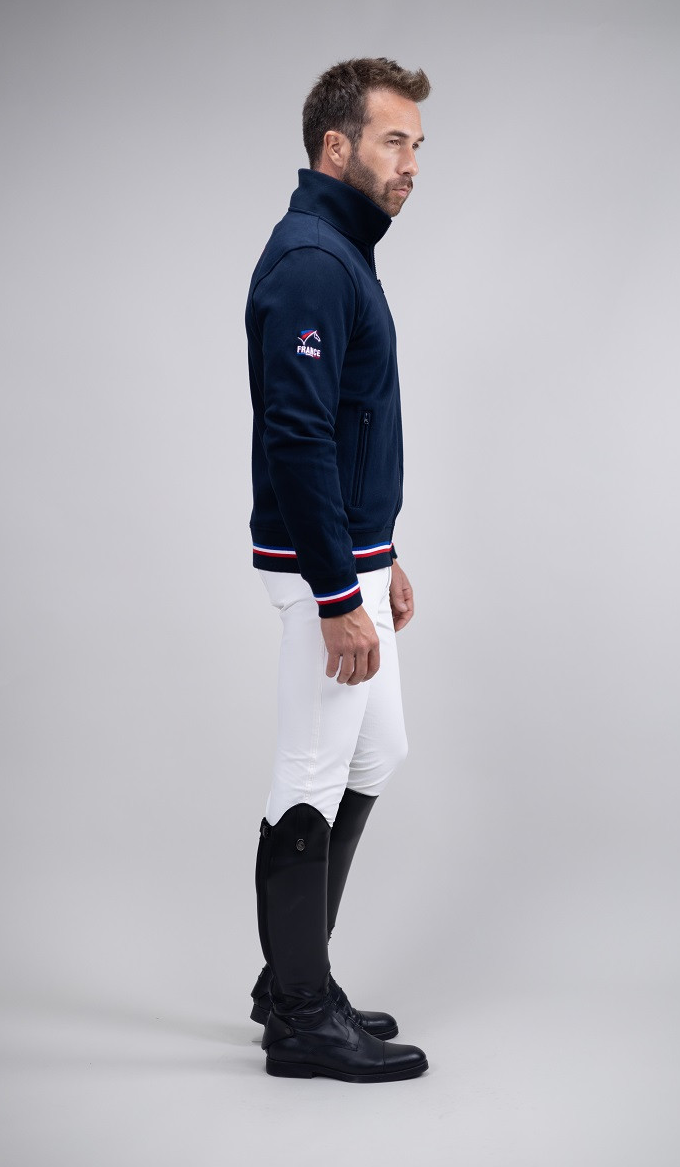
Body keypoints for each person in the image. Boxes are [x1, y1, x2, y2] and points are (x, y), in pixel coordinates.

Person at [245, 57, 430, 1082]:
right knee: (309, 774)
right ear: (335, 146)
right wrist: (333, 592)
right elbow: (298, 435)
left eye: (417, 146)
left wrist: (382, 552)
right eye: (393, 141)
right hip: (319, 569)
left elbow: (354, 422)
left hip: (353, 556)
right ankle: (300, 1015)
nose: (411, 164)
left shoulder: (345, 252)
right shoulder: (313, 260)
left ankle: (292, 974)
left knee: (376, 751)